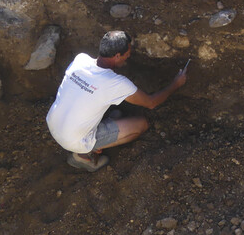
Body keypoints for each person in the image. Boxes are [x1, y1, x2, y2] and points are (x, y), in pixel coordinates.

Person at [46, 30, 188, 172]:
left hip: (53, 123)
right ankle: (83, 155)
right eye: (127, 53)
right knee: (141, 124)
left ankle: (89, 142)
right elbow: (151, 103)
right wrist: (176, 84)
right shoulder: (115, 83)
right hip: (74, 141)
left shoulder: (80, 59)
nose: (129, 55)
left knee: (116, 113)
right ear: (117, 55)